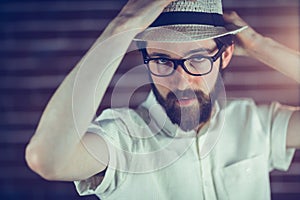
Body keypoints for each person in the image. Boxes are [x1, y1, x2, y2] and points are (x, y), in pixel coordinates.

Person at [25, 0, 300, 199]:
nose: (181, 82)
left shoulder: (254, 123)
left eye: (198, 59)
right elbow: (47, 159)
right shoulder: (123, 138)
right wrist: (121, 27)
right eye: (161, 60)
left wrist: (260, 45)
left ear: (224, 56)